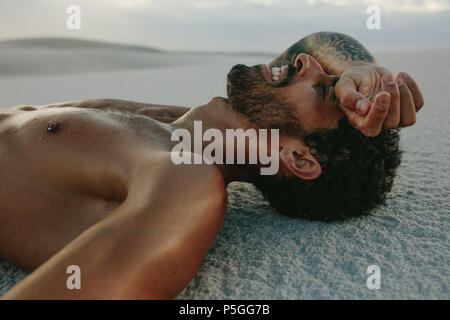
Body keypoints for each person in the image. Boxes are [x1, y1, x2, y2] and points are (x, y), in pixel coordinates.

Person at [0, 32, 424, 299]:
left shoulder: (184, 178)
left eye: (323, 89)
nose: (307, 62)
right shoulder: (177, 123)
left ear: (296, 157)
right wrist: (361, 70)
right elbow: (319, 42)